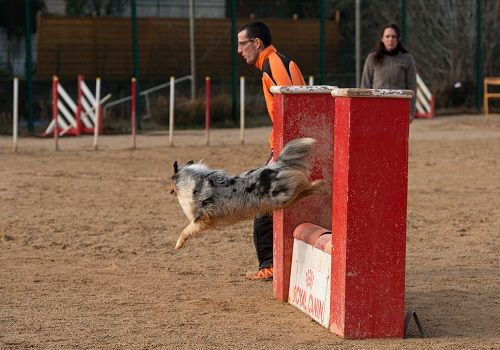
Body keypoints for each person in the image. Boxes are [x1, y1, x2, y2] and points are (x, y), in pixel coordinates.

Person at [237, 21, 305, 281]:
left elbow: (291, 105)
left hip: (287, 145)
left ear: (257, 43)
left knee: (262, 202)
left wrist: (283, 152)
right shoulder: (277, 61)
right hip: (287, 143)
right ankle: (272, 264)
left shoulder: (273, 64)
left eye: (242, 44)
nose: (239, 50)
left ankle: (269, 266)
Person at [361, 23, 417, 120]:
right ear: (382, 39)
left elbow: (412, 86)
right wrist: (364, 109)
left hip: (399, 107)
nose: (390, 39)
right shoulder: (372, 58)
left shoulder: (407, 59)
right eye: (387, 36)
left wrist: (411, 111)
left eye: (393, 36)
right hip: (376, 108)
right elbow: (365, 85)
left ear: (398, 39)